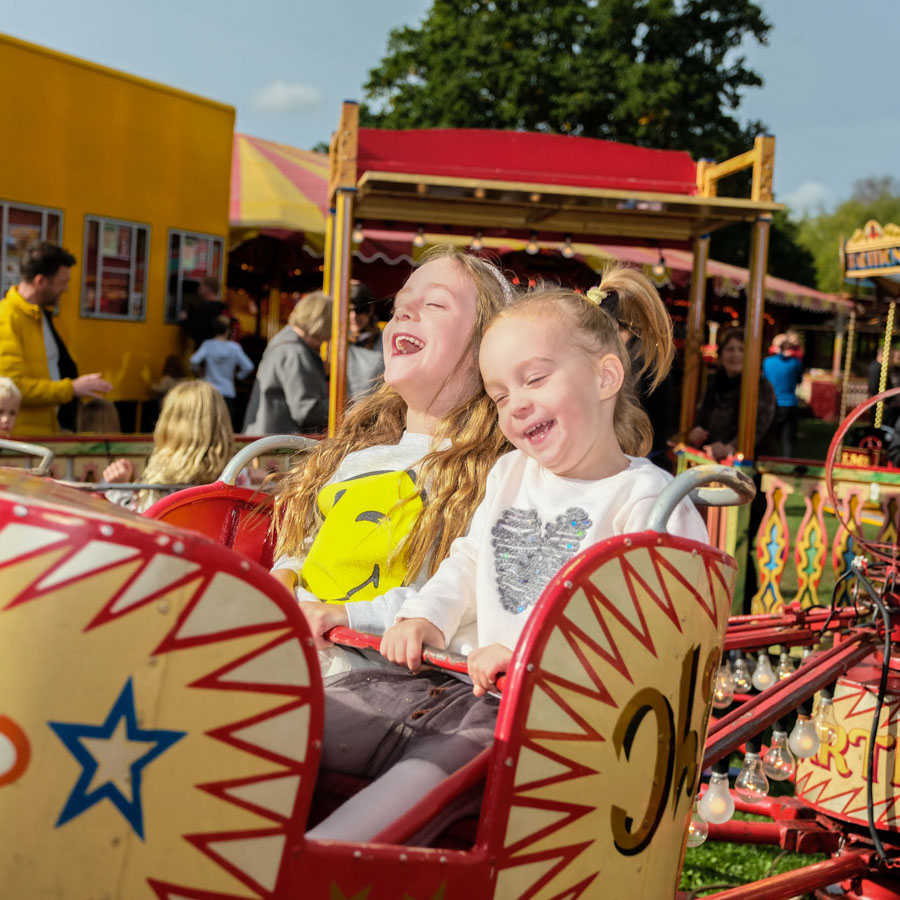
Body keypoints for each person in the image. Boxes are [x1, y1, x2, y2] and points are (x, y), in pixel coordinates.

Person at [300, 270, 709, 842]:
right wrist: (425, 616)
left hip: (555, 724)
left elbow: (660, 638)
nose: (515, 405)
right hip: (452, 689)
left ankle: (318, 862)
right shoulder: (511, 472)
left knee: (423, 778)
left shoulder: (648, 501)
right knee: (294, 723)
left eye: (534, 379)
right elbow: (469, 561)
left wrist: (528, 658)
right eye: (498, 395)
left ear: (605, 376)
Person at [269, 246, 514, 679]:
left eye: (435, 303)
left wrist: (345, 614)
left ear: (488, 343)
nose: (404, 312)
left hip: (385, 682)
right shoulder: (355, 457)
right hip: (295, 659)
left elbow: (461, 596)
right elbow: (307, 547)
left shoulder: (499, 474)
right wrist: (283, 577)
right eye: (399, 306)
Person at [0, 242, 111, 435]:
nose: (66, 288)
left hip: (42, 435)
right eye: (62, 282)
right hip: (22, 442)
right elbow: (10, 387)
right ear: (41, 281)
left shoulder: (39, 315)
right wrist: (71, 389)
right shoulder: (7, 317)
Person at [102, 380, 234, 513]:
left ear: (170, 423)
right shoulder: (239, 474)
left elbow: (145, 520)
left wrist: (120, 488)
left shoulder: (164, 481)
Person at [242, 291, 332, 435]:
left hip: (264, 437)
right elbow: (306, 411)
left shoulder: (282, 341)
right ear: (321, 325)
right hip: (278, 444)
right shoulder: (295, 352)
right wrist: (341, 403)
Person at [688, 327, 778, 461]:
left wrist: (731, 447)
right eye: (730, 349)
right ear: (721, 354)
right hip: (711, 456)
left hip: (751, 461)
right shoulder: (714, 383)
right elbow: (703, 415)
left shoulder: (761, 386)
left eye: (742, 350)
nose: (735, 355)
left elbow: (758, 428)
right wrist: (696, 430)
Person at [190, 316, 255, 429]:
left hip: (210, 391)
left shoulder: (208, 344)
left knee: (207, 425)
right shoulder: (235, 348)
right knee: (226, 426)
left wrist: (198, 374)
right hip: (228, 391)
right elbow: (248, 367)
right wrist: (238, 376)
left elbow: (194, 360)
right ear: (228, 330)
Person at [762, 331, 803, 457]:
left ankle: (770, 461)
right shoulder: (795, 363)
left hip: (771, 404)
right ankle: (787, 463)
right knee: (788, 439)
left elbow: (765, 379)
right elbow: (798, 380)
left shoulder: (767, 362)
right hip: (790, 403)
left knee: (772, 437)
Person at [346, 281, 386, 402]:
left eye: (359, 309)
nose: (353, 316)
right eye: (348, 311)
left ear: (370, 310)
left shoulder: (384, 341)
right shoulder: (336, 340)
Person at [179, 276, 228, 350]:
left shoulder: (206, 309)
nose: (198, 290)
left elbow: (197, 332)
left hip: (205, 352)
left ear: (208, 289)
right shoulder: (224, 307)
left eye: (201, 287)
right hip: (220, 351)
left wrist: (184, 320)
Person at [866, 344, 900, 428]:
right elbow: (874, 388)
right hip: (881, 406)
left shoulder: (883, 368)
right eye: (891, 357)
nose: (892, 360)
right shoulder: (876, 368)